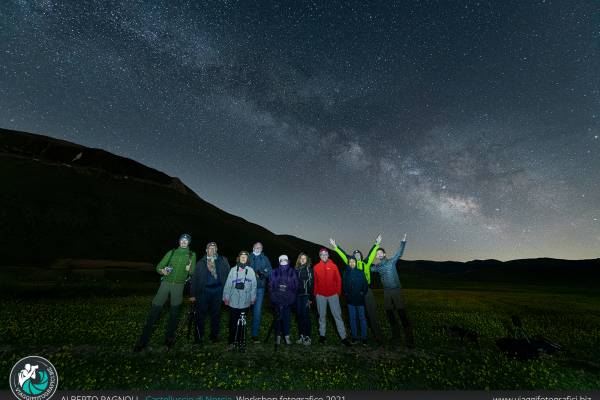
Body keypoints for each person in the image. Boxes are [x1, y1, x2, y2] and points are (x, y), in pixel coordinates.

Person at [134, 234, 196, 351]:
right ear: (179, 241)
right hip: (165, 285)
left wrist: (190, 270)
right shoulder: (171, 252)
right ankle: (142, 341)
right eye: (182, 240)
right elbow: (159, 267)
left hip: (179, 286)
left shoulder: (192, 255)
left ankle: (169, 339)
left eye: (186, 240)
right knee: (154, 311)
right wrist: (162, 271)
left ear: (189, 243)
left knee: (174, 314)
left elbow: (193, 272)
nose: (183, 242)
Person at [330, 234, 383, 343]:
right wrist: (336, 247)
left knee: (371, 313)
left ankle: (377, 336)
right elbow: (344, 255)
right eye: (355, 255)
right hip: (354, 292)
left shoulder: (366, 263)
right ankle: (356, 336)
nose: (357, 255)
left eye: (358, 254)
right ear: (352, 258)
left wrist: (377, 243)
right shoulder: (351, 264)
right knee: (355, 315)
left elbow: (372, 254)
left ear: (361, 256)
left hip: (366, 291)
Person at [370, 234, 415, 348]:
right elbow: (367, 267)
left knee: (401, 314)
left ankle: (409, 340)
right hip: (386, 293)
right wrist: (375, 245)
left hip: (396, 291)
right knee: (390, 315)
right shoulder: (377, 267)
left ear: (384, 254)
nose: (378, 254)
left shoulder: (391, 261)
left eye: (380, 252)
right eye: (377, 253)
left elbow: (399, 253)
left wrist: (403, 241)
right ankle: (396, 337)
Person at [189, 242, 230, 344]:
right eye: (210, 248)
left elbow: (229, 276)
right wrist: (193, 294)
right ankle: (198, 337)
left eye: (214, 248)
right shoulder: (200, 262)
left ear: (217, 250)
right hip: (204, 291)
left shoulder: (223, 260)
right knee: (200, 315)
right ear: (206, 250)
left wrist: (228, 292)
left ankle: (214, 336)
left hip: (218, 291)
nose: (212, 250)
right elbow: (194, 279)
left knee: (216, 315)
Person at [313, 248, 351, 346]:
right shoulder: (316, 267)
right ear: (319, 256)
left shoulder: (333, 266)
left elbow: (338, 280)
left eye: (325, 254)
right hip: (320, 295)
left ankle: (343, 337)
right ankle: (322, 336)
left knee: (337, 316)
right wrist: (316, 293)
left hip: (333, 295)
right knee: (321, 316)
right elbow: (315, 282)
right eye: (322, 254)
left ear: (328, 255)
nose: (324, 256)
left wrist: (337, 292)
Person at [223, 250, 257, 350]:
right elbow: (228, 284)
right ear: (239, 258)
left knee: (243, 323)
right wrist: (226, 297)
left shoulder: (250, 270)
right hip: (233, 301)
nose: (243, 258)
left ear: (247, 259)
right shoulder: (233, 270)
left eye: (245, 256)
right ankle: (231, 342)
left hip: (245, 302)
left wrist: (252, 298)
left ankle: (241, 341)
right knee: (233, 322)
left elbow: (254, 286)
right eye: (241, 256)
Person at [269, 254, 299, 346]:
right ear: (279, 261)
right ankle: (277, 336)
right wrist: (274, 298)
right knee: (278, 319)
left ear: (287, 261)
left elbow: (295, 286)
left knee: (287, 318)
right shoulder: (274, 272)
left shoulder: (292, 271)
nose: (283, 261)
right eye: (281, 260)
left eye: (285, 260)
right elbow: (271, 286)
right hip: (277, 300)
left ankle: (287, 336)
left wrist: (291, 298)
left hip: (288, 300)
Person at [342, 255, 369, 345]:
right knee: (352, 318)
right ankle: (354, 337)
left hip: (360, 299)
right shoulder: (346, 273)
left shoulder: (361, 272)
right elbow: (344, 284)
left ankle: (364, 337)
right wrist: (346, 293)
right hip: (350, 300)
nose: (352, 263)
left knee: (362, 318)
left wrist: (363, 292)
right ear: (348, 263)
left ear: (356, 263)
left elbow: (365, 284)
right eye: (350, 262)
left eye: (353, 261)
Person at [249, 242, 273, 343]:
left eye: (260, 248)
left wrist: (263, 273)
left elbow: (270, 271)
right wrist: (253, 273)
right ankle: (239, 332)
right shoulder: (248, 257)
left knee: (257, 311)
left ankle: (255, 334)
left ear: (262, 249)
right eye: (256, 247)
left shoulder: (265, 258)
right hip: (248, 288)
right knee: (243, 310)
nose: (258, 249)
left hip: (260, 288)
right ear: (253, 247)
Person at [294, 252, 314, 345]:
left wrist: (310, 298)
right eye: (301, 258)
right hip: (298, 297)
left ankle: (308, 337)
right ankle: (301, 336)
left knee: (306, 316)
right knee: (300, 316)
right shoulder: (296, 270)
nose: (302, 259)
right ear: (299, 259)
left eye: (304, 258)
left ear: (307, 260)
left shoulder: (309, 270)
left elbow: (311, 284)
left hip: (306, 296)